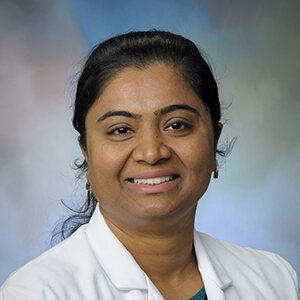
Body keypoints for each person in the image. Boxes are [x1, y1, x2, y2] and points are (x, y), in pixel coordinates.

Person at [0, 30, 298, 300]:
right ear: (86, 152)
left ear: (214, 141)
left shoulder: (274, 279)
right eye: (121, 130)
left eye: (177, 125)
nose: (152, 152)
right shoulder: (38, 292)